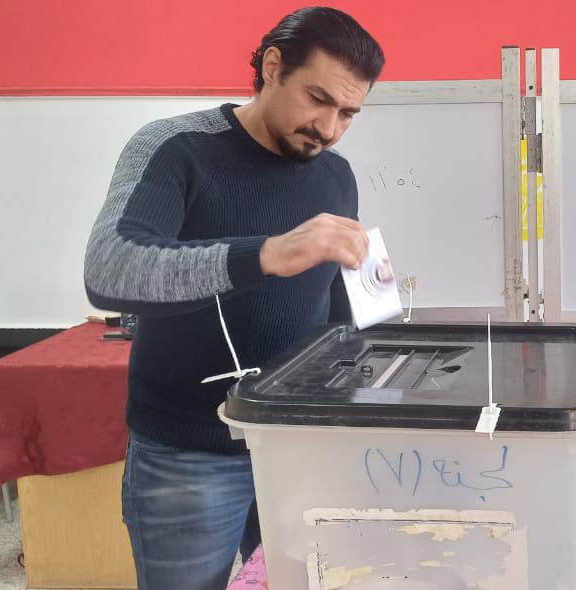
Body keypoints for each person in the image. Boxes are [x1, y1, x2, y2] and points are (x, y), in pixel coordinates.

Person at [82, 7, 384, 589]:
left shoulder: (336, 176)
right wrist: (265, 254)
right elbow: (111, 268)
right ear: (272, 67)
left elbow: (332, 304)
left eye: (348, 113)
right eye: (317, 99)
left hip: (298, 448)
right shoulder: (177, 148)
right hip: (189, 455)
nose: (328, 128)